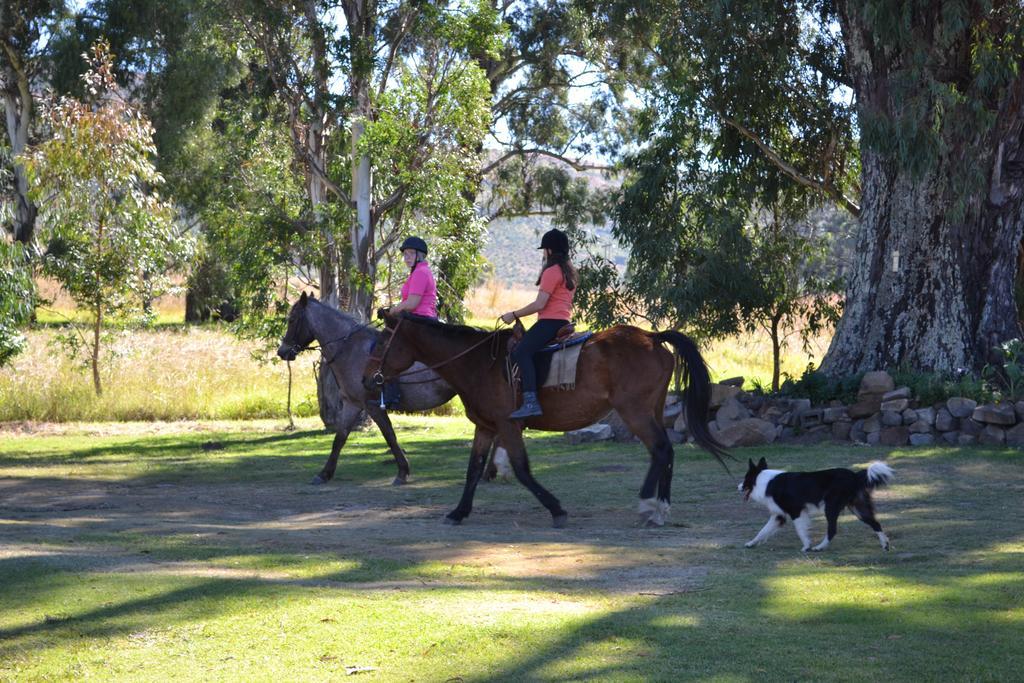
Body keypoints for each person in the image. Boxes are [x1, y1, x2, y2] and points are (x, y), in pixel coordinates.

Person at [500, 228, 577, 419]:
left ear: (549, 251)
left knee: (521, 352)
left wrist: (513, 314)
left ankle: (531, 402)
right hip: (563, 320)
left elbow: (540, 304)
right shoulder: (569, 271)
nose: (544, 253)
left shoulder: (552, 271)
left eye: (544, 250)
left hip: (549, 322)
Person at [382, 236, 437, 407]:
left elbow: (412, 303)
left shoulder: (420, 273)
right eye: (405, 254)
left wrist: (393, 310)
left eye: (411, 254)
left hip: (420, 321)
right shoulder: (417, 272)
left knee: (389, 351)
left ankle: (393, 395)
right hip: (416, 319)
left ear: (420, 256)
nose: (407, 257)